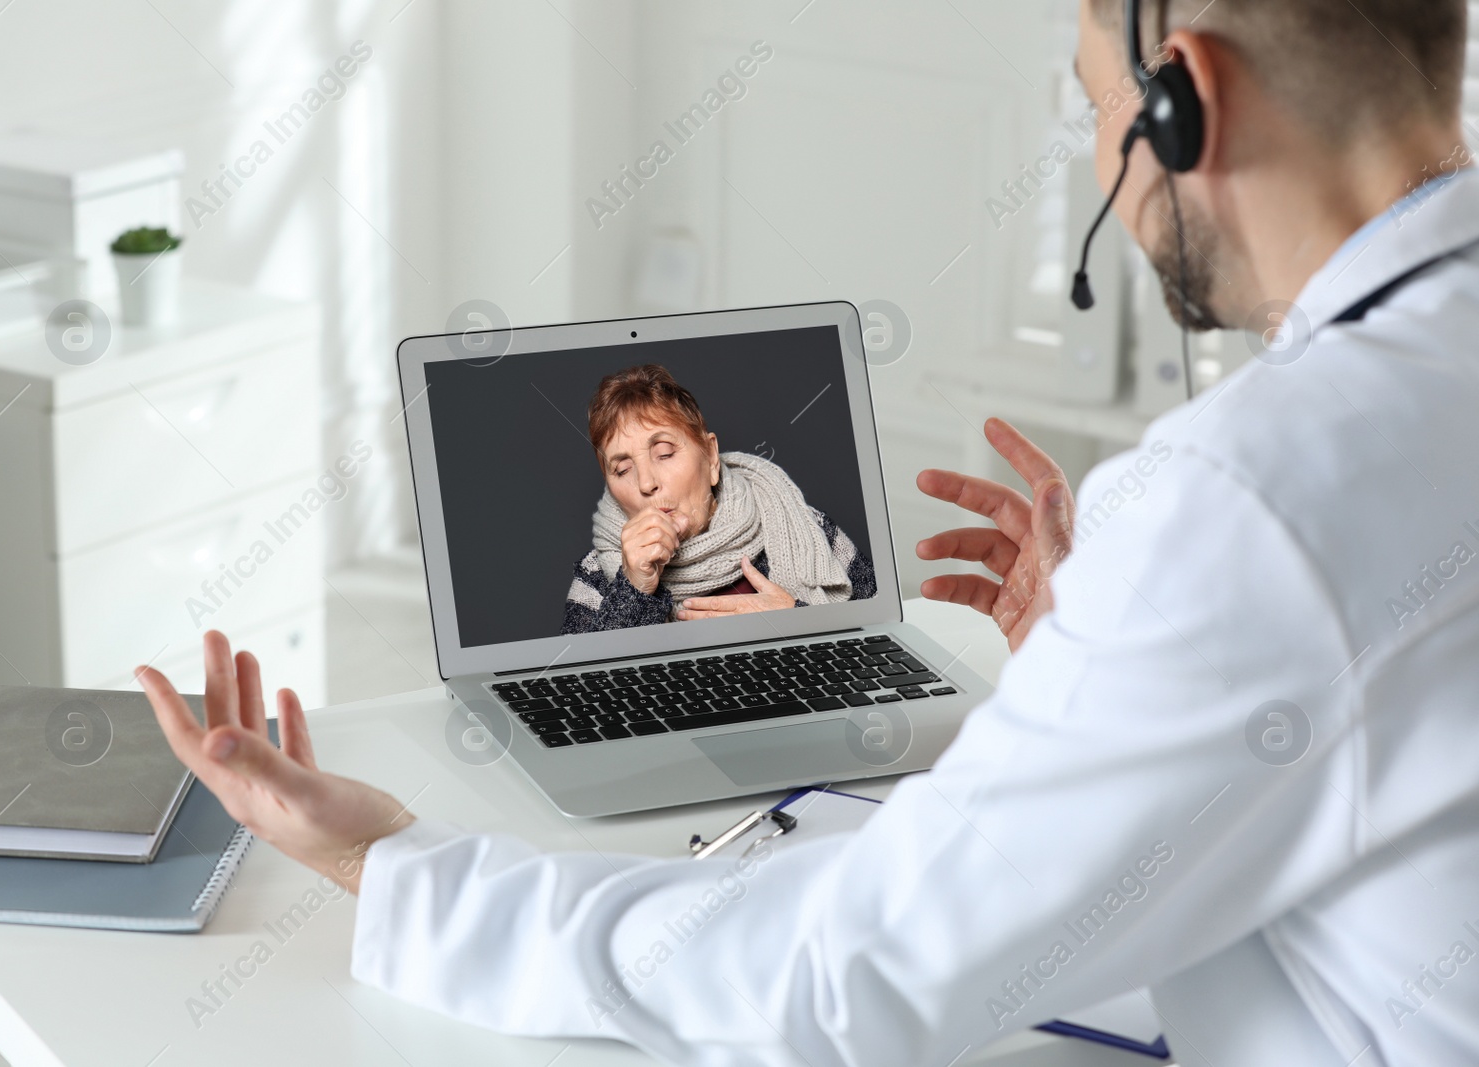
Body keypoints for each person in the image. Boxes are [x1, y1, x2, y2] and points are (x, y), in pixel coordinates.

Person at [138, 1, 1479, 1063]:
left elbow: (848, 979)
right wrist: (1116, 668)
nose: (1100, 164)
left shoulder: (1254, 496)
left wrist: (389, 858)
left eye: (1097, 109)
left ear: (1187, 99)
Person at [561, 363, 876, 634]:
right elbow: (581, 698)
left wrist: (794, 619)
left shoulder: (806, 527)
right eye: (623, 469)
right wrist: (634, 590)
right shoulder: (595, 577)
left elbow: (876, 644)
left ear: (711, 457)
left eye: (664, 453)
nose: (646, 483)